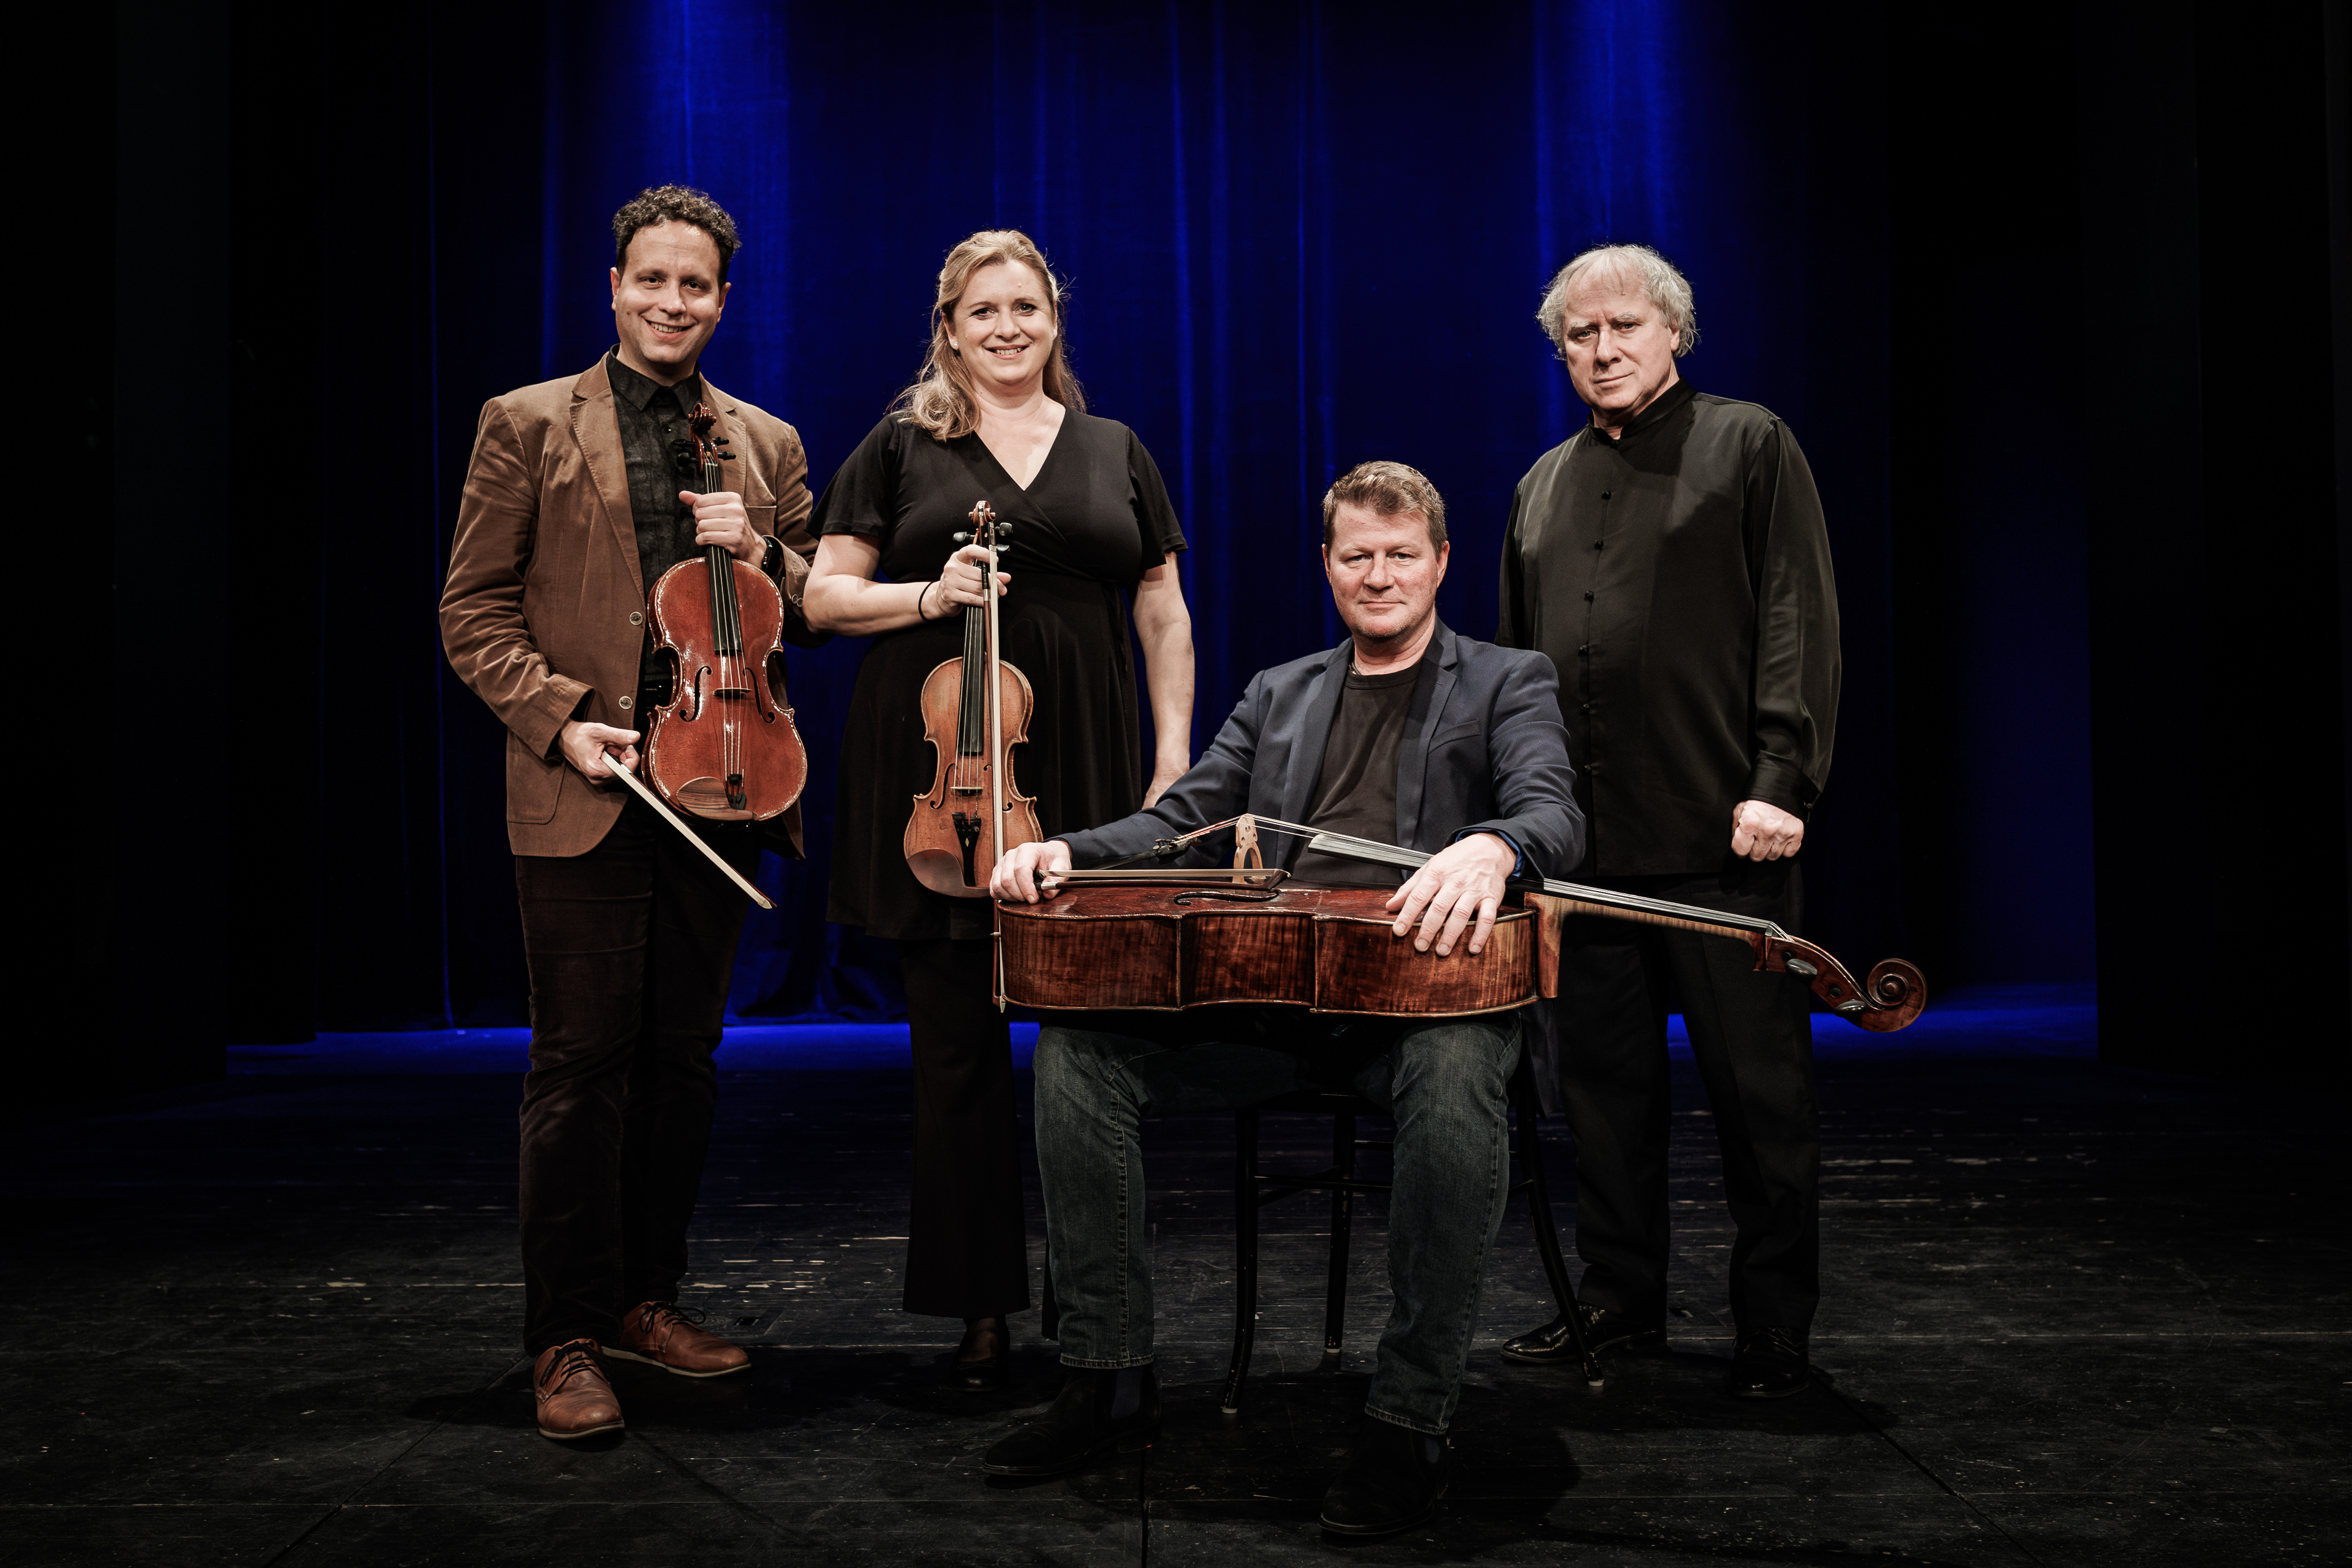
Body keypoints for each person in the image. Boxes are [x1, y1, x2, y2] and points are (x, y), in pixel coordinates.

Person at [987, 462, 1584, 1537]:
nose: (1380, 576)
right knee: (1080, 1052)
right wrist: (1068, 852)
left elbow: (1552, 810)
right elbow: (1184, 822)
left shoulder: (1508, 679)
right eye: (1358, 557)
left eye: (1402, 555)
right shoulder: (1281, 692)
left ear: (1442, 563)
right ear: (1328, 566)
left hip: (1425, 1008)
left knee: (1457, 1079)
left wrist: (1495, 845)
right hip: (1278, 1003)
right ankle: (1106, 1376)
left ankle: (1410, 1421)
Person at [440, 185, 825, 1440]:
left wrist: (763, 553)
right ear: (614, 287)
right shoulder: (527, 423)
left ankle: (642, 1300)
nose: (672, 302)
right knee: (579, 1067)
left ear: (724, 299)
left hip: (724, 782)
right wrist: (560, 719)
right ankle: (564, 1335)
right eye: (651, 280)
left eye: (695, 285)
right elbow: (472, 610)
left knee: (682, 1063)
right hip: (589, 784)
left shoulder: (766, 445)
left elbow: (814, 605)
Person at [801, 230, 1195, 1394]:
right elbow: (822, 598)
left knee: (1092, 1051)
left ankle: (1095, 1306)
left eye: (1027, 307)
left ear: (1055, 319)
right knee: (955, 1057)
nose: (1008, 327)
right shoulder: (901, 446)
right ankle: (977, 1307)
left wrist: (1174, 760)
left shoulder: (1115, 449)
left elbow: (1163, 610)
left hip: (1083, 770)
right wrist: (930, 594)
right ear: (950, 329)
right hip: (946, 780)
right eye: (984, 311)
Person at [1492, 243, 1841, 1400]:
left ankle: (1774, 1325)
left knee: (1761, 1097)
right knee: (1602, 1096)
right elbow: (1513, 676)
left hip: (1722, 836)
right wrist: (1520, 822)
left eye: (1625, 328)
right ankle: (1619, 1300)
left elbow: (1796, 612)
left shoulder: (1750, 445)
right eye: (1580, 336)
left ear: (1674, 333)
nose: (1604, 351)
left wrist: (1782, 776)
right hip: (1584, 853)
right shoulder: (1541, 484)